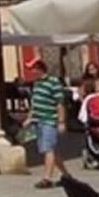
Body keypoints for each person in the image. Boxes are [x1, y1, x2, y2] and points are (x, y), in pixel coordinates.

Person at [26, 61, 68, 189]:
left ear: (39, 69)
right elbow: (35, 102)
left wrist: (61, 122)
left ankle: (47, 178)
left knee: (48, 149)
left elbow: (60, 103)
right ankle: (66, 175)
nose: (31, 72)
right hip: (39, 120)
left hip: (50, 120)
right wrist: (30, 117)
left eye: (32, 69)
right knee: (51, 149)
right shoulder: (37, 83)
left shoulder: (54, 82)